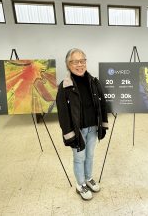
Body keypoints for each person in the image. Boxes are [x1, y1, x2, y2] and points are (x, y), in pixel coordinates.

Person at [56, 48, 108, 200]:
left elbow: (102, 104)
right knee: (79, 158)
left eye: (82, 61)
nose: (80, 65)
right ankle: (80, 184)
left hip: (92, 128)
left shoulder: (94, 82)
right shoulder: (64, 86)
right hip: (77, 131)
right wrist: (69, 135)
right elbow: (63, 115)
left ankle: (88, 178)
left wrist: (103, 125)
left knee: (90, 155)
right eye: (75, 62)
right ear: (68, 64)